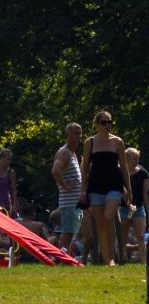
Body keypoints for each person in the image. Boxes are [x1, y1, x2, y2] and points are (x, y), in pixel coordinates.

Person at [79, 110, 133, 266]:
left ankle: (112, 254)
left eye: (110, 122)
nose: (108, 125)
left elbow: (123, 167)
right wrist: (83, 190)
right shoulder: (90, 142)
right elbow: (84, 167)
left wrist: (128, 189)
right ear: (96, 124)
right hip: (95, 186)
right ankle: (108, 258)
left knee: (109, 217)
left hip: (114, 185)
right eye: (104, 122)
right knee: (100, 223)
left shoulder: (117, 142)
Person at [51, 121, 84, 253]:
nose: (79, 136)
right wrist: (65, 185)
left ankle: (67, 258)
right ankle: (62, 257)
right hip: (69, 203)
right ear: (67, 134)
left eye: (80, 133)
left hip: (75, 203)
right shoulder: (64, 153)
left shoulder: (73, 154)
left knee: (71, 234)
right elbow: (55, 171)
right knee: (67, 234)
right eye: (76, 133)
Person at [126, 148, 146, 264]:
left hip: (138, 209)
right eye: (135, 159)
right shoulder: (119, 172)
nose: (137, 161)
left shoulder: (143, 173)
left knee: (140, 236)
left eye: (138, 158)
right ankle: (121, 259)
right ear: (126, 159)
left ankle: (144, 262)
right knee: (122, 236)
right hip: (124, 209)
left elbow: (145, 193)